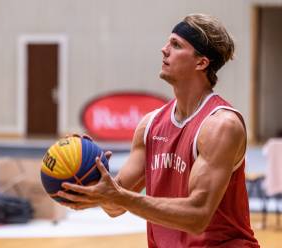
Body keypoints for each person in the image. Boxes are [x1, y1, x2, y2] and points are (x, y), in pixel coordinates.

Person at [57, 13, 260, 247]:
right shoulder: (150, 125)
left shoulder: (221, 126)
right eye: (168, 43)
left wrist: (118, 196)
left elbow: (197, 216)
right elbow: (114, 206)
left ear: (201, 62)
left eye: (176, 45)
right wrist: (92, 178)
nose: (164, 50)